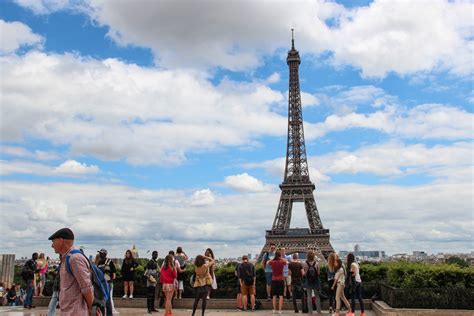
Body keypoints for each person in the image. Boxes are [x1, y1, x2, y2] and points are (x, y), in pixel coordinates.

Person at [48, 227, 95, 315]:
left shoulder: (74, 258)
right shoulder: (67, 257)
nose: (52, 245)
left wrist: (92, 309)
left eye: (53, 241)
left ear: (61, 240)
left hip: (76, 311)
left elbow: (86, 287)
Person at [96, 249, 117, 315]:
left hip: (107, 282)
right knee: (101, 300)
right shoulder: (99, 262)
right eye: (100, 253)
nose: (100, 254)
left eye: (101, 253)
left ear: (105, 254)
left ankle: (109, 314)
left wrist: (110, 279)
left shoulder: (109, 261)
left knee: (107, 300)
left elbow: (114, 272)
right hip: (101, 282)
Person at [268, 250, 288, 315]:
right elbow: (287, 262)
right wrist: (281, 258)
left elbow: (268, 262)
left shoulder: (272, 262)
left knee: (274, 296)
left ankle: (274, 309)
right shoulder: (282, 261)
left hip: (274, 279)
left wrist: (273, 258)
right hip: (281, 279)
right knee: (281, 296)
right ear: (280, 255)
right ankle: (280, 310)